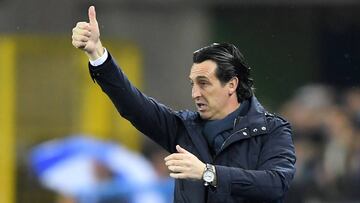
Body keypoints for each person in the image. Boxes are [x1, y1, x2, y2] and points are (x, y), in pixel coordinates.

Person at [71, 6, 296, 203]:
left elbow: (276, 184)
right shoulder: (183, 128)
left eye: (204, 83)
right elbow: (133, 105)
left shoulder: (272, 130)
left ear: (231, 84)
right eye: (192, 84)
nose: (195, 93)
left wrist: (209, 173)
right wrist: (97, 54)